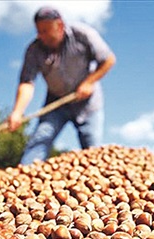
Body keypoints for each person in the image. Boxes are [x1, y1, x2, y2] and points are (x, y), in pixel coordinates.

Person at [7, 6, 116, 165]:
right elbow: (27, 83)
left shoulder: (83, 34)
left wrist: (88, 82)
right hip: (56, 102)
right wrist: (17, 111)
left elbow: (108, 60)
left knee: (92, 151)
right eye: (39, 31)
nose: (41, 36)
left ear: (60, 26)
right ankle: (23, 174)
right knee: (39, 140)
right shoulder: (34, 50)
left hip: (88, 103)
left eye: (46, 31)